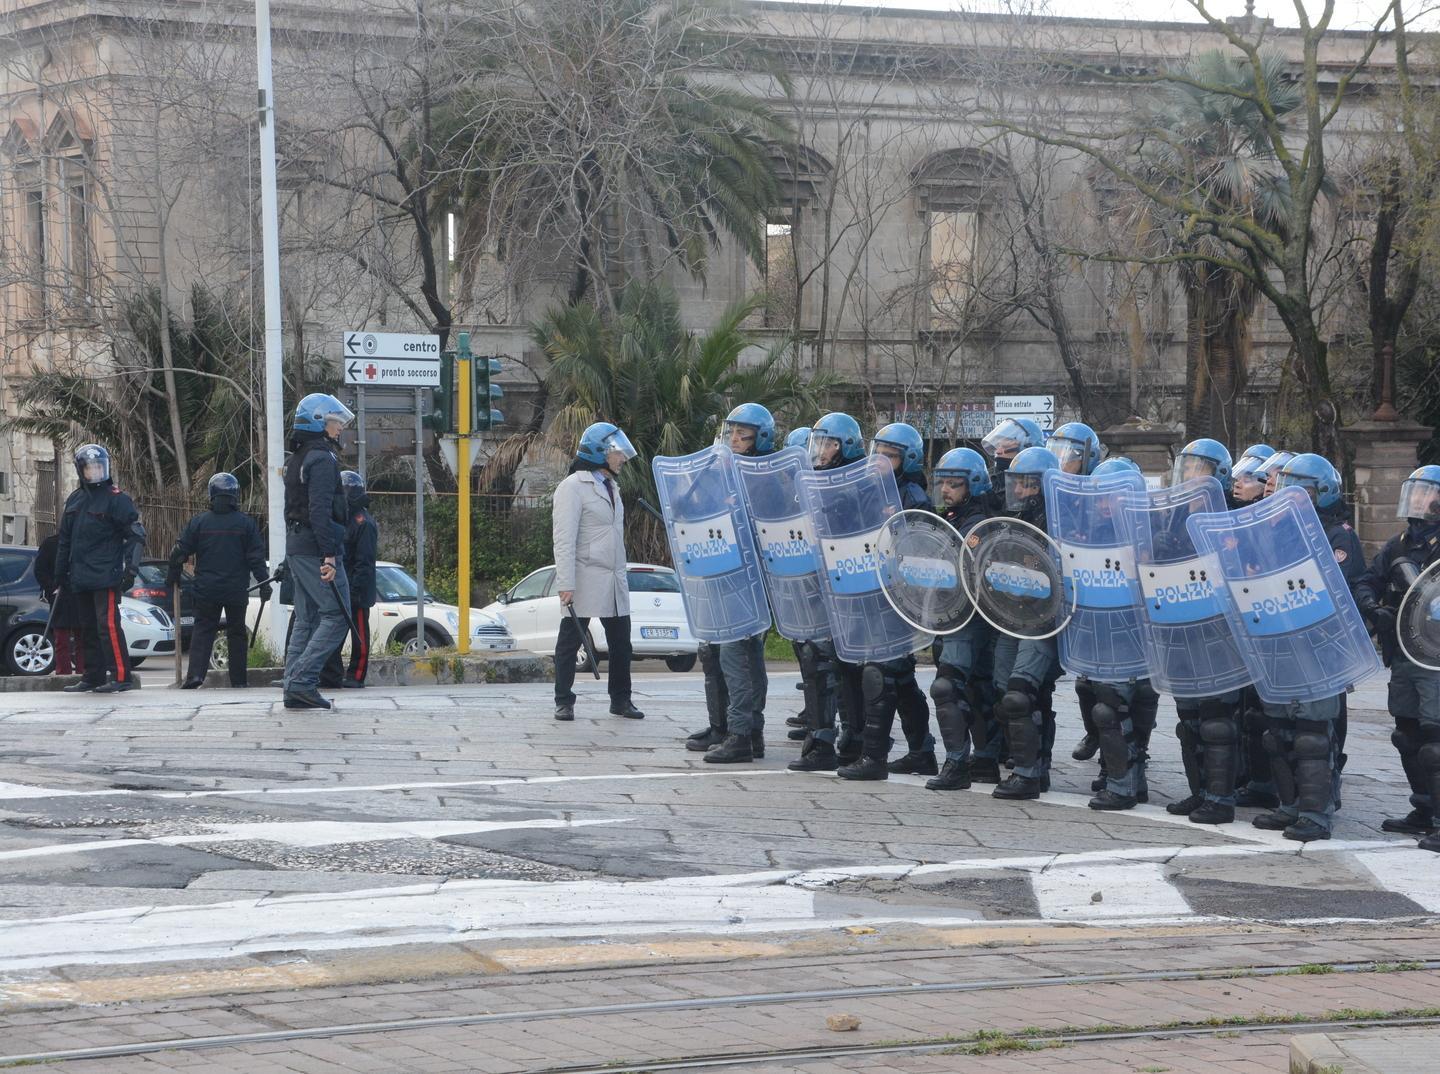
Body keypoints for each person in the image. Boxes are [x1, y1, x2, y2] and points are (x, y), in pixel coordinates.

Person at [1243, 452, 1360, 842]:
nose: (1288, 497)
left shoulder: (1337, 534)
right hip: (1279, 640)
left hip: (1318, 647)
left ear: (1321, 493)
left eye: (1299, 491)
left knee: (1312, 734)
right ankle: (1290, 805)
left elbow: (1334, 586)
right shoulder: (1278, 531)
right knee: (1278, 732)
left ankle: (1316, 813)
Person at [837, 422, 935, 779]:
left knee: (880, 674)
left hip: (897, 596)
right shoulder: (866, 490)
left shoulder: (913, 497)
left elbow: (915, 545)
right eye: (877, 452)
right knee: (902, 679)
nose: (879, 460)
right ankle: (922, 751)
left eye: (889, 455)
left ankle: (874, 758)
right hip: (867, 590)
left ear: (905, 460)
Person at [1354, 465, 1440, 849]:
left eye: (1427, 492)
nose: (1418, 498)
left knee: (1435, 740)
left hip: (1436, 657)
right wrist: (1373, 607)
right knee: (1406, 735)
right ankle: (1423, 809)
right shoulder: (1399, 544)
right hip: (1404, 653)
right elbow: (1366, 580)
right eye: (1416, 491)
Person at [1162, 439, 1244, 824]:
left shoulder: (1235, 517)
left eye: (1200, 468)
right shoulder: (1171, 518)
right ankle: (1199, 793)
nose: (1191, 474)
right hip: (1180, 627)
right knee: (1189, 721)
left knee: (1216, 720)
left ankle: (1221, 798)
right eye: (1188, 466)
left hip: (1218, 631)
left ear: (1219, 476)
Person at [552, 421, 643, 723]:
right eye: (617, 453)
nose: (623, 458)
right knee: (570, 640)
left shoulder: (611, 485)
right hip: (585, 575)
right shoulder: (572, 487)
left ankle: (621, 699)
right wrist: (565, 583)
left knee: (621, 644)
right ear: (600, 453)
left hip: (614, 577)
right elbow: (564, 538)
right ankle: (564, 700)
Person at [700, 404, 775, 764]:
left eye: (741, 433)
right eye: (731, 431)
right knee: (743, 656)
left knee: (737, 656)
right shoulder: (729, 472)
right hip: (731, 574)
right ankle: (750, 733)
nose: (733, 438)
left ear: (759, 437)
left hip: (751, 578)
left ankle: (741, 733)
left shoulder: (767, 476)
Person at [991, 445, 1064, 800]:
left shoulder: (1060, 521)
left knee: (1022, 693)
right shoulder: (1010, 519)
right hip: (1011, 615)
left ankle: (1028, 773)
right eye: (1015, 484)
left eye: (1027, 485)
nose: (1018, 491)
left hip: (1041, 619)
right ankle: (1039, 765)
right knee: (1009, 691)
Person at [797, 412, 868, 769]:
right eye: (818, 442)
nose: (819, 450)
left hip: (852, 588)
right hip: (820, 584)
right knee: (820, 662)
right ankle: (822, 740)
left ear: (844, 446)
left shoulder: (860, 484)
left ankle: (857, 738)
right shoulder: (814, 482)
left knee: (851, 666)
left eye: (826, 443)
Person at [926, 447, 998, 789]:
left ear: (974, 485)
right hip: (956, 615)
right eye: (943, 483)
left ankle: (958, 764)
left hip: (971, 617)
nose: (946, 490)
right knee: (976, 687)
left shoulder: (979, 524)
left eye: (954, 484)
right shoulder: (952, 519)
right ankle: (984, 761)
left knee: (947, 687)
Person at [281, 393, 355, 711]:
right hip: (316, 548)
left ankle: (292, 687)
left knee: (306, 618)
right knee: (337, 615)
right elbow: (320, 510)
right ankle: (302, 681)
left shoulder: (296, 458)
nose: (339, 429)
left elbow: (293, 509)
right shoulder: (323, 458)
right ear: (320, 422)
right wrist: (328, 556)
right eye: (335, 422)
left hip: (298, 546)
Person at [54, 444, 146, 693]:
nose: (94, 472)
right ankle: (92, 676)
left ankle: (121, 676)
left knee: (108, 627)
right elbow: (64, 540)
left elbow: (136, 535)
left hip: (106, 575)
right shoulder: (75, 499)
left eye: (98, 467)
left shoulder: (117, 499)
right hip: (80, 576)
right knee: (87, 629)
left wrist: (131, 570)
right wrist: (59, 575)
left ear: (105, 468)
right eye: (89, 468)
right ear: (81, 470)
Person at [168, 473, 270, 689]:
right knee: (236, 633)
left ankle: (195, 676)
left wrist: (173, 574)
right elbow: (256, 558)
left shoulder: (200, 522)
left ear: (211, 495)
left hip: (206, 588)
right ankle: (239, 680)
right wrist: (264, 584)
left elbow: (179, 552)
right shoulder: (246, 524)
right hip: (236, 589)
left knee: (203, 630)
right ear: (235, 495)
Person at [1228, 443, 1276, 806]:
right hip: (1242, 627)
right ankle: (1251, 777)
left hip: (1277, 629)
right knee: (1245, 712)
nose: (1239, 483)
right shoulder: (1232, 517)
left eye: (1252, 478)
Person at [320, 471, 379, 689]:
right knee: (334, 629)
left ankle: (357, 674)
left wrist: (355, 590)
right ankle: (331, 673)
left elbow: (364, 562)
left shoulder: (362, 523)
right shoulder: (343, 520)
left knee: (360, 634)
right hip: (341, 585)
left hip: (358, 589)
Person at [34, 533, 84, 677]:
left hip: (80, 594)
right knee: (61, 638)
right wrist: (52, 589)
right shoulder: (51, 543)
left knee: (84, 637)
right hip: (60, 596)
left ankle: (84, 671)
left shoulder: (83, 540)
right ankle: (63, 672)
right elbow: (40, 570)